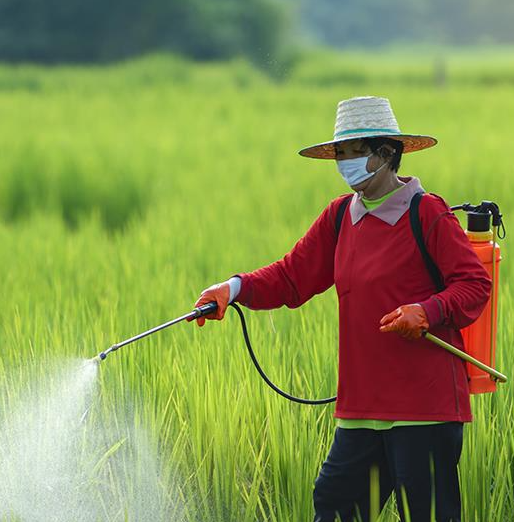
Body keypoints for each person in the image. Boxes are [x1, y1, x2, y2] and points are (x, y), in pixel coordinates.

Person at [191, 96, 491, 522]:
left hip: (424, 408)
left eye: (356, 152)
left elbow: (475, 285)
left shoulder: (427, 213)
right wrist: (234, 288)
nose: (346, 162)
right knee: (333, 506)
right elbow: (293, 275)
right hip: (361, 409)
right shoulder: (339, 217)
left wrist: (426, 311)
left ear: (386, 154)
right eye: (340, 154)